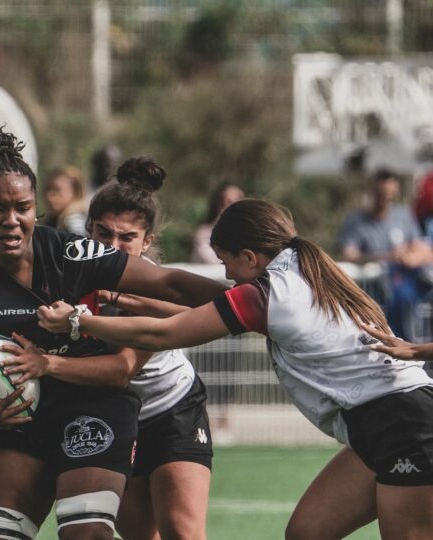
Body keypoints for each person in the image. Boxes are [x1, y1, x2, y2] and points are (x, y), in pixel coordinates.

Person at [39, 198, 433, 540]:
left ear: (249, 257)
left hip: (404, 426)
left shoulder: (270, 295)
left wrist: (79, 321)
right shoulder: (300, 268)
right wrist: (130, 300)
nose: (226, 275)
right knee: (308, 531)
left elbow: (167, 333)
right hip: (384, 425)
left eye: (226, 263)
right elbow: (190, 309)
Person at [0, 128, 226, 540]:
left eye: (22, 207)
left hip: (97, 405)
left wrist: (254, 300)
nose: (11, 220)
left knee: (93, 534)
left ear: (36, 208)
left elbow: (169, 290)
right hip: (21, 415)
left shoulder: (71, 253)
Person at [0, 156, 213, 539]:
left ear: (147, 242)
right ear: (88, 230)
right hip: (112, 415)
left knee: (182, 532)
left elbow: (122, 369)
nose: (112, 246)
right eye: (103, 234)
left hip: (170, 410)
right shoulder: (68, 271)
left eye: (126, 238)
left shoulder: (151, 285)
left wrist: (45, 363)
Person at [338, 168, 433, 340]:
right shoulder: (355, 221)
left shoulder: (403, 215)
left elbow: (423, 248)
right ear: (372, 191)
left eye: (390, 194)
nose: (385, 199)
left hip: (411, 283)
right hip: (379, 289)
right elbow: (349, 255)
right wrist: (387, 257)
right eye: (381, 194)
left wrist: (411, 257)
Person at [190, 182, 244, 264]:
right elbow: (211, 261)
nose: (226, 207)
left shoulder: (249, 232)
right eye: (222, 202)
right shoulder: (203, 233)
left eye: (231, 202)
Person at [42, 166, 88, 235]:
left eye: (57, 190)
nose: (49, 195)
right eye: (47, 189)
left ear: (74, 192)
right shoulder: (53, 220)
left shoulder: (75, 221)